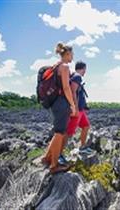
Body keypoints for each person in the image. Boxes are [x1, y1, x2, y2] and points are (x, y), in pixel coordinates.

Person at [41, 43, 76, 174]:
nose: (72, 56)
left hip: (54, 103)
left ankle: (46, 158)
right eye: (72, 54)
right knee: (59, 133)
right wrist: (72, 105)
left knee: (58, 131)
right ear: (67, 54)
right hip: (62, 103)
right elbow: (66, 88)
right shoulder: (65, 66)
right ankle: (54, 165)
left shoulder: (55, 66)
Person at [59, 61, 92, 163]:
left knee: (86, 126)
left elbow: (78, 93)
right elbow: (73, 91)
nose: (85, 71)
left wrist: (83, 106)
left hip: (81, 110)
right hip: (77, 111)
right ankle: (59, 154)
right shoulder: (77, 76)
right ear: (83, 68)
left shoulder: (76, 76)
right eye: (85, 69)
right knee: (69, 133)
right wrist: (76, 108)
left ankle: (82, 147)